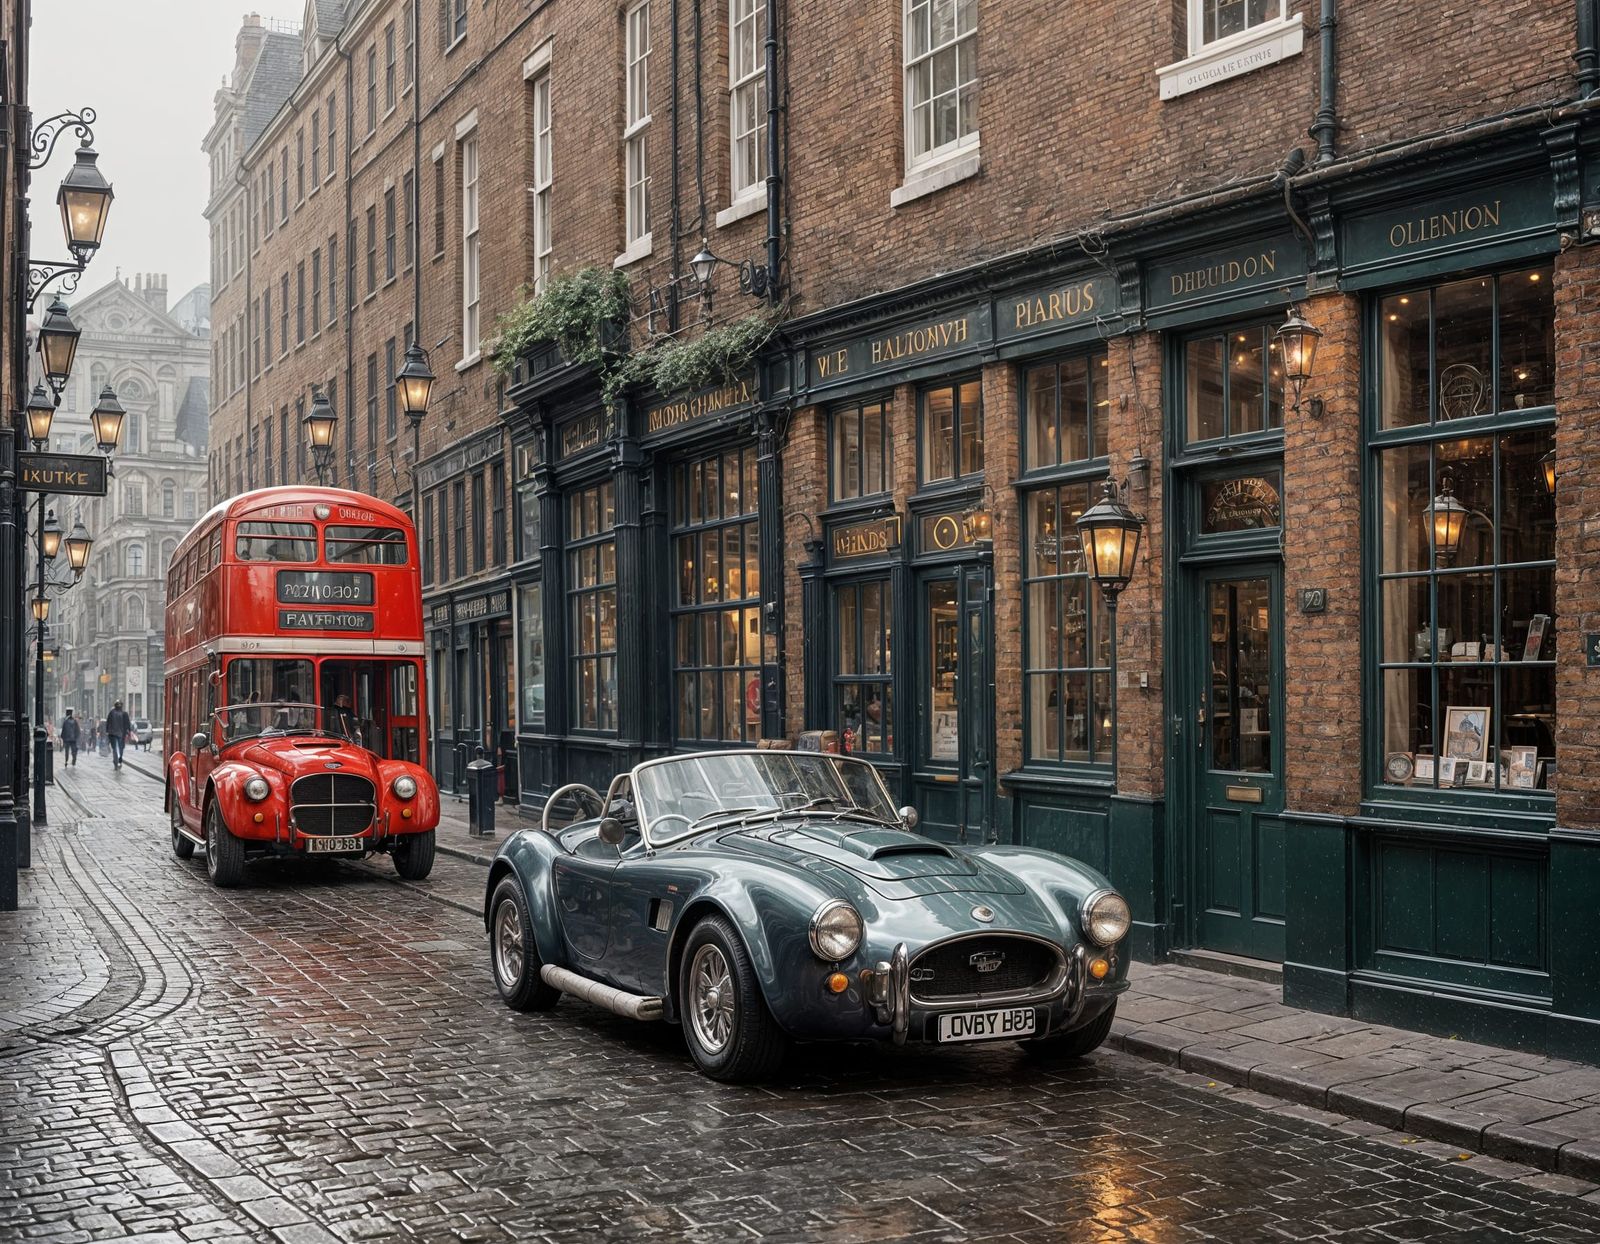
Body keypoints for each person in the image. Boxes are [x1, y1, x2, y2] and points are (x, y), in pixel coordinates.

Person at [105, 700, 132, 770]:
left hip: (113, 734)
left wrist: (107, 732)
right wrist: (129, 732)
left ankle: (116, 761)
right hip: (121, 734)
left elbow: (108, 723)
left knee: (115, 749)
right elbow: (128, 724)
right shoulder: (124, 713)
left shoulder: (111, 713)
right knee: (120, 748)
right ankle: (119, 761)